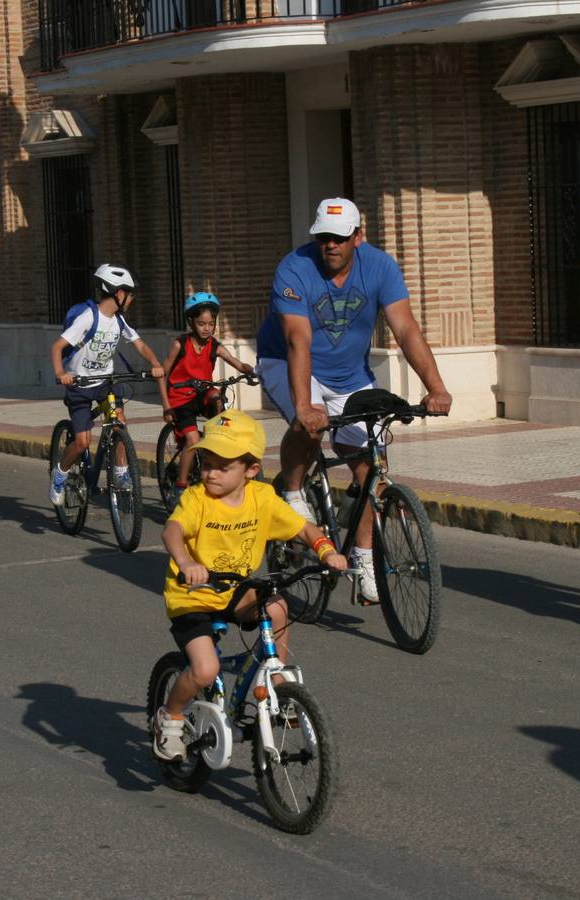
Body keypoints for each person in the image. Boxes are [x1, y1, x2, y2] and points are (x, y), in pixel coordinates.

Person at [254, 197, 452, 603]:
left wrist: (436, 388)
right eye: (324, 237)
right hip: (286, 360)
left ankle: (364, 559)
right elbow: (298, 340)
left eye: (340, 238)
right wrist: (306, 406)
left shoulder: (380, 267)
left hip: (349, 374)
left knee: (371, 474)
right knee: (306, 424)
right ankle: (292, 494)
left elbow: (406, 329)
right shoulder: (294, 269)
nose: (331, 245)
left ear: (358, 237)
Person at [153, 409, 347, 761]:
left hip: (234, 589)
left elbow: (303, 528)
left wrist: (327, 550)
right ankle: (171, 716)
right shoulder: (197, 499)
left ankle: (278, 680)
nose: (210, 472)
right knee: (205, 669)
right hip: (192, 594)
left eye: (222, 466)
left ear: (251, 470)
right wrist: (186, 562)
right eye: (207, 463)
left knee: (277, 605)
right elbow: (173, 530)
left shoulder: (261, 498)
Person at [47, 263, 168, 506]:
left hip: (106, 383)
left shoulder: (120, 321)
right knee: (82, 441)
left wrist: (156, 363)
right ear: (118, 293)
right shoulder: (88, 318)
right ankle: (59, 474)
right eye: (130, 294)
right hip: (80, 384)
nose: (132, 299)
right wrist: (61, 372)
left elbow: (140, 345)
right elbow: (57, 347)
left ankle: (122, 473)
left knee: (119, 423)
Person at [160, 291, 255, 494]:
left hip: (201, 394)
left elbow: (237, 362)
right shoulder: (179, 344)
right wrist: (166, 406)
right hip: (180, 399)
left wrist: (250, 371)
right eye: (202, 323)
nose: (207, 328)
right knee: (192, 440)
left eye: (211, 323)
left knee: (217, 398)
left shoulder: (215, 346)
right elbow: (161, 374)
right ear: (191, 322)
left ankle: (218, 442)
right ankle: (180, 485)